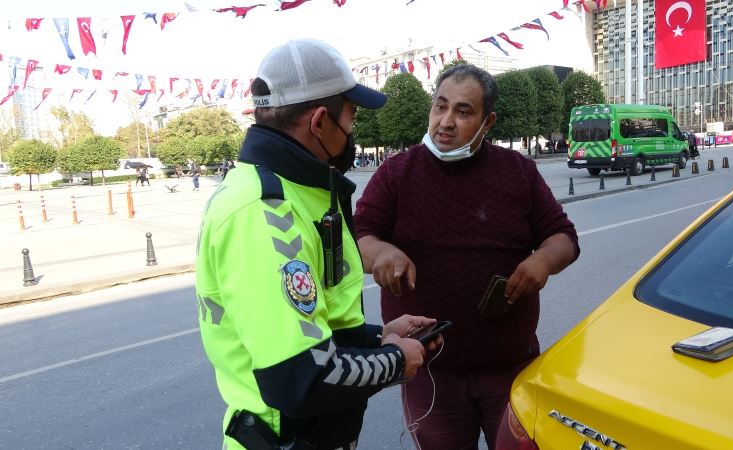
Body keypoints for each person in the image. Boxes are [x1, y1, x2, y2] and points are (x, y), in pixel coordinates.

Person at [195, 39, 440, 450]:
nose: (352, 134)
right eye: (351, 120)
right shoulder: (264, 212)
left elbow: (313, 326)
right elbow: (301, 377)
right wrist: (397, 360)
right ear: (320, 122)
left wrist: (377, 338)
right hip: (281, 438)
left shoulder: (295, 192)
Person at [353, 64, 581, 450]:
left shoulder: (518, 172)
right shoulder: (397, 173)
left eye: (463, 111)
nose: (446, 122)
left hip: (511, 367)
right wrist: (381, 253)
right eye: (440, 107)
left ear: (487, 121)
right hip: (428, 371)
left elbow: (564, 237)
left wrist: (542, 261)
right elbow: (358, 237)